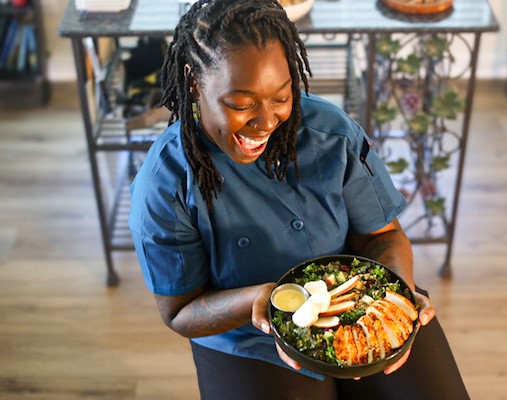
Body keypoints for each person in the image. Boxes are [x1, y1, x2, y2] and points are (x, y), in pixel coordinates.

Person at [129, 0, 470, 398]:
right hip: (247, 339)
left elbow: (385, 237)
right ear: (193, 82)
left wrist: (395, 296)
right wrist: (258, 299)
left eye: (281, 97)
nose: (266, 122)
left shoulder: (331, 134)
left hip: (361, 300)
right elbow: (178, 310)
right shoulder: (166, 180)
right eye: (241, 105)